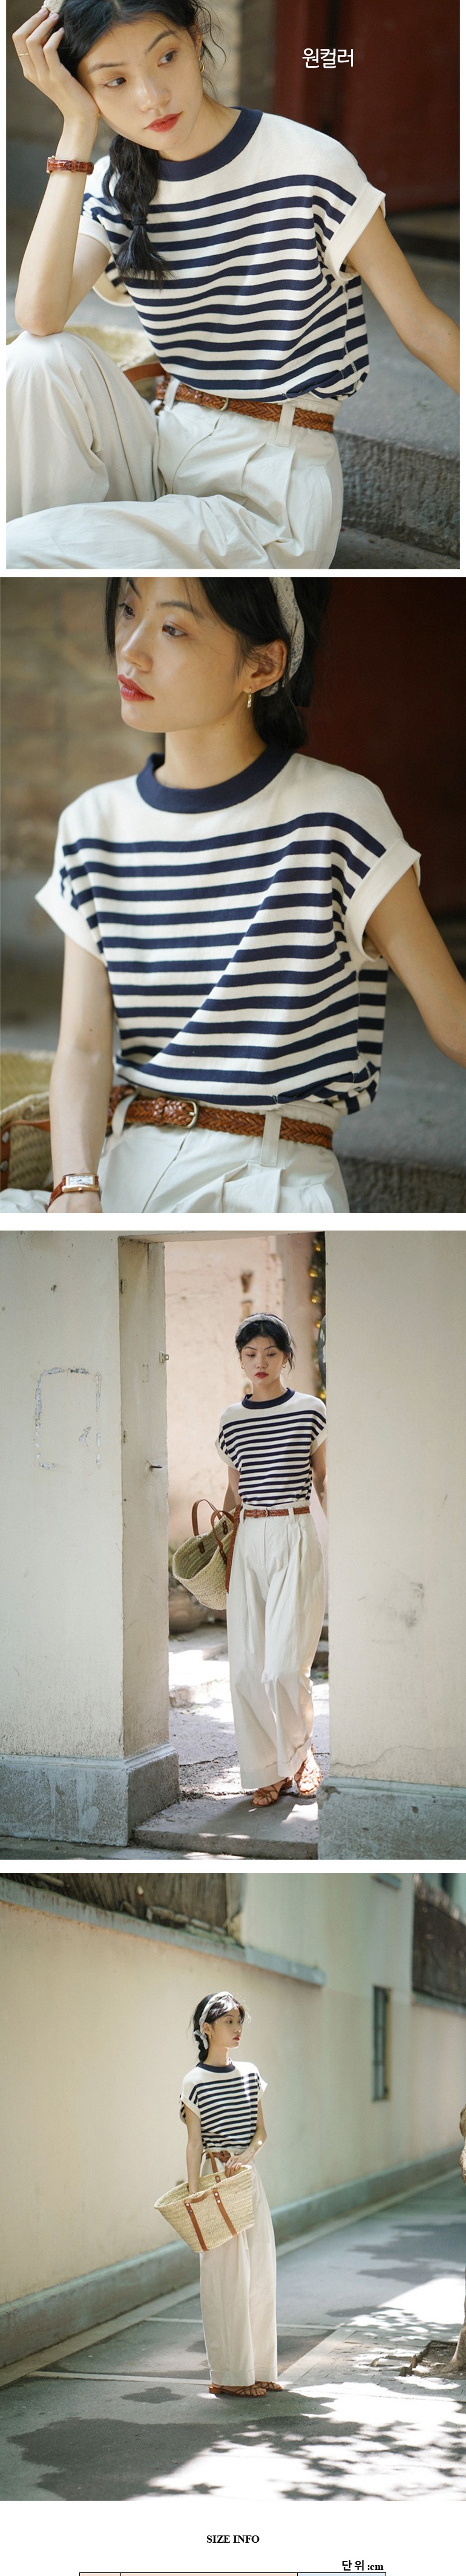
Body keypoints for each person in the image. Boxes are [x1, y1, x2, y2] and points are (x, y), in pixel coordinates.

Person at [4, 572, 465, 1223]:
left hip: (267, 1180)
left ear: (262, 665)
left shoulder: (337, 814)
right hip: (119, 1168)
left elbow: (453, 1021)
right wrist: (74, 1187)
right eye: (128, 610)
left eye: (173, 628)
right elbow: (82, 1048)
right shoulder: (91, 826)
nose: (130, 649)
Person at [7, 0, 459, 573]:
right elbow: (38, 317)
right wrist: (76, 131)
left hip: (270, 488)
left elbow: (424, 329)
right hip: (164, 444)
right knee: (39, 360)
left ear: (197, 38)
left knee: (20, 548)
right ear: (82, 89)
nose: (151, 97)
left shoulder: (308, 164)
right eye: (114, 81)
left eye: (166, 57)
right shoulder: (118, 182)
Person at [217, 1313, 327, 1804]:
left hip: (294, 1530)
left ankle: (300, 1755)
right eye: (250, 1354)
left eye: (270, 1353)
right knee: (246, 1668)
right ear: (241, 1358)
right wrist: (222, 1536)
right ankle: (268, 1767)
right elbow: (235, 1488)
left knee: (284, 1665)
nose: (260, 1362)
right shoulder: (231, 1420)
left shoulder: (310, 1410)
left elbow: (323, 1480)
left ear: (286, 1357)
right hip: (249, 1537)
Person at [180, 1990, 278, 2396]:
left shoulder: (251, 2074)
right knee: (225, 2279)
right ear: (207, 2029)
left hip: (247, 2179)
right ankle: (230, 2376)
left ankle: (260, 2368)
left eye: (240, 2021)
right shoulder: (194, 2082)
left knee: (261, 2272)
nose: (238, 2029)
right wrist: (194, 2197)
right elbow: (193, 2145)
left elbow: (262, 2133)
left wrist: (247, 2157)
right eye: (229, 2022)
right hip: (215, 2182)